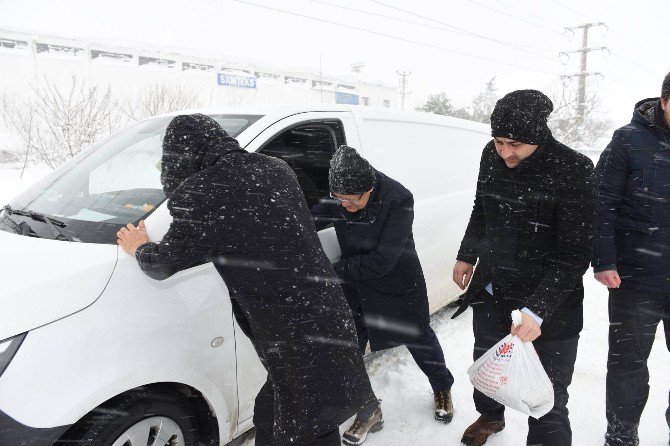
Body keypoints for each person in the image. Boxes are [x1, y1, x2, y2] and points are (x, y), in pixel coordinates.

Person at [116, 114, 377, 446]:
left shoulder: (201, 194)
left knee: (311, 426)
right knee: (272, 413)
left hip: (294, 334)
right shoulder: (275, 168)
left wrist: (140, 247)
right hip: (325, 314)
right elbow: (248, 227)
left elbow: (163, 264)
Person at [451, 90, 595, 446]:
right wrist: (467, 254)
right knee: (489, 365)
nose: (505, 152)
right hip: (494, 286)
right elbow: (481, 207)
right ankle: (490, 416)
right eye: (498, 142)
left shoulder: (574, 169)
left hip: (549, 301)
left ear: (538, 136)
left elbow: (575, 253)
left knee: (547, 397)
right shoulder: (492, 156)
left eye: (514, 144)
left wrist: (538, 310)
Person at [312, 145, 455, 446]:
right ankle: (368, 408)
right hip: (356, 285)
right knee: (349, 349)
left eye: (353, 202)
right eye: (340, 200)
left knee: (419, 338)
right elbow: (311, 218)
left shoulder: (397, 198)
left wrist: (335, 270)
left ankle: (442, 386)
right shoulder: (342, 194)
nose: (345, 206)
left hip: (396, 282)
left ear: (370, 188)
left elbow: (384, 259)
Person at [592, 72, 670, 446]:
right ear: (664, 100)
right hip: (636, 278)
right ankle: (621, 436)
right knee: (627, 364)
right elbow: (602, 202)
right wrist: (604, 260)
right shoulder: (628, 140)